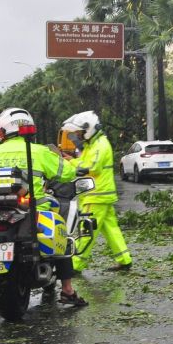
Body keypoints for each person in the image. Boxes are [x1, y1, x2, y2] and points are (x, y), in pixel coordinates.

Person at [0, 107, 88, 311]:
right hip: (35, 209)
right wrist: (75, 166)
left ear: (2, 131)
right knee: (63, 236)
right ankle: (67, 290)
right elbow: (66, 173)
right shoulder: (39, 151)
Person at [61, 110, 132, 272]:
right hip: (101, 195)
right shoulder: (93, 144)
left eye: (80, 132)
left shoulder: (100, 145)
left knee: (86, 231)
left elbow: (92, 167)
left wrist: (71, 163)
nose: (77, 135)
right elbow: (85, 162)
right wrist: (72, 160)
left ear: (89, 129)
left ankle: (75, 264)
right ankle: (125, 259)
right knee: (111, 229)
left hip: (96, 195)